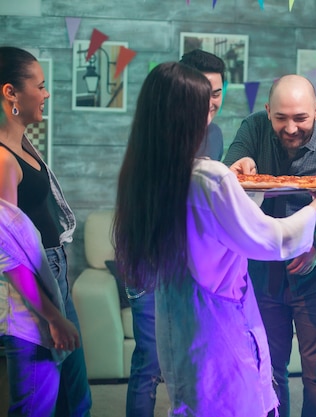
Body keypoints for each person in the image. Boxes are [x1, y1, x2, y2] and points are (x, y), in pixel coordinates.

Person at [112, 62, 316, 417]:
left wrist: (238, 190)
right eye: (207, 103)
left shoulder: (145, 174)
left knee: (191, 401)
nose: (212, 112)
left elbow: (221, 224)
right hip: (217, 321)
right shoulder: (208, 176)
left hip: (179, 312)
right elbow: (271, 239)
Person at [223, 74, 316, 417]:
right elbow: (233, 163)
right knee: (268, 370)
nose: (290, 128)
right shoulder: (254, 128)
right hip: (264, 273)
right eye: (280, 118)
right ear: (268, 111)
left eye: (300, 118)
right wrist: (239, 167)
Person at [123, 49, 227, 417]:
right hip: (153, 262)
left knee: (189, 364)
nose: (211, 102)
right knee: (151, 366)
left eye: (217, 93)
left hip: (185, 266)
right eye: (203, 92)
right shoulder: (161, 132)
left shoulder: (213, 134)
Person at [0, 46, 92, 416]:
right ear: (11, 93)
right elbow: (7, 255)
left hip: (54, 279)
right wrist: (51, 316)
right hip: (31, 296)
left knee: (75, 400)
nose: (46, 93)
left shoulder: (21, 142)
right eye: (39, 85)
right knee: (37, 405)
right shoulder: (3, 160)